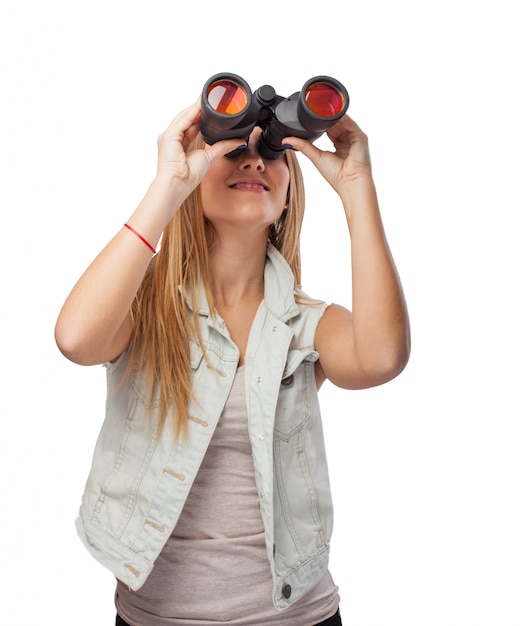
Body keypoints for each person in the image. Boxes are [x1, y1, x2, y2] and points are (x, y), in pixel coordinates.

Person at [55, 82, 410, 625]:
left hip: (299, 617)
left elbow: (383, 357)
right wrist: (168, 185)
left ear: (290, 191)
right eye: (235, 149)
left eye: (271, 153)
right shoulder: (144, 312)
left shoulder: (306, 326)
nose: (254, 161)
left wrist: (357, 187)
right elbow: (76, 338)